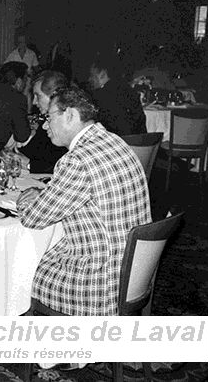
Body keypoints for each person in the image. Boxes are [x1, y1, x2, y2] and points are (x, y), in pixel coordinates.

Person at [16, 86, 151, 316]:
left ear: (70, 115)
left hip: (98, 283)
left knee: (18, 275)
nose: (45, 126)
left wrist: (23, 200)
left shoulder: (77, 159)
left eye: (48, 118)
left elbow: (33, 218)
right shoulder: (116, 142)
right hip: (132, 271)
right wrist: (46, 193)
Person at [3, 70, 68, 173]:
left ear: (54, 96)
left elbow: (60, 165)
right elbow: (34, 149)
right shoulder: (47, 119)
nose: (34, 102)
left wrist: (29, 164)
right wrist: (11, 155)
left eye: (38, 96)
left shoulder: (66, 124)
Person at [89, 53, 147, 136]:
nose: (90, 79)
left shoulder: (100, 95)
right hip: (140, 142)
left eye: (92, 76)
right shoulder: (127, 89)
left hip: (119, 142)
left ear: (102, 74)